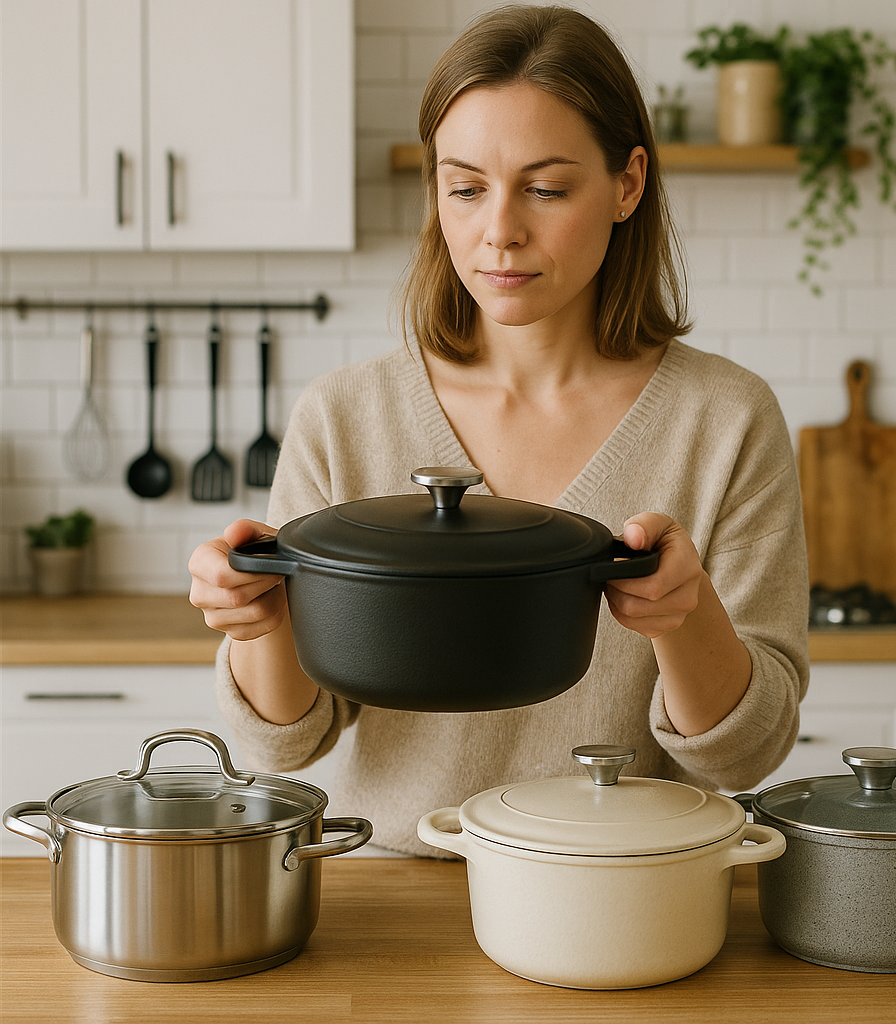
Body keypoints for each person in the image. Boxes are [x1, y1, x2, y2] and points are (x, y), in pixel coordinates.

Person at [188, 5, 809, 857]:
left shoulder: (727, 420)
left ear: (628, 183)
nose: (499, 231)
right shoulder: (344, 416)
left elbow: (747, 754)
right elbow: (285, 742)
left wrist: (685, 615)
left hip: (623, 898)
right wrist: (260, 625)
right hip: (396, 908)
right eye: (466, 186)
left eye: (547, 188)